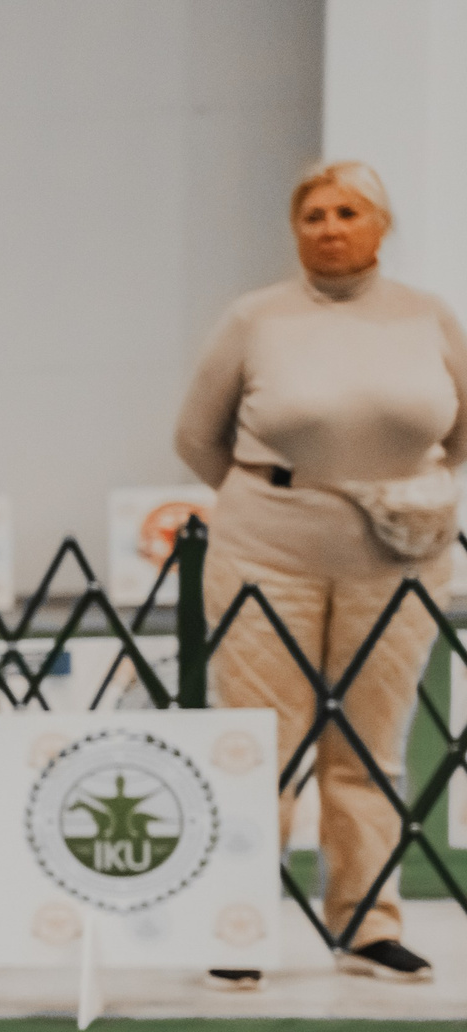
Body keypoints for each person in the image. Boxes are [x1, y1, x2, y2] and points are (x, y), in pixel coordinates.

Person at [175, 161, 467, 988]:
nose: (331, 227)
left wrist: (399, 496)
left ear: (381, 225)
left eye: (348, 212)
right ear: (295, 229)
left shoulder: (429, 316)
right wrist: (288, 499)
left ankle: (367, 929)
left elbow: (462, 431)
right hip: (267, 554)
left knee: (370, 750)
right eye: (314, 215)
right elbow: (196, 437)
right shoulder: (254, 318)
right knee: (258, 747)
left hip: (399, 559)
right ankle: (237, 929)